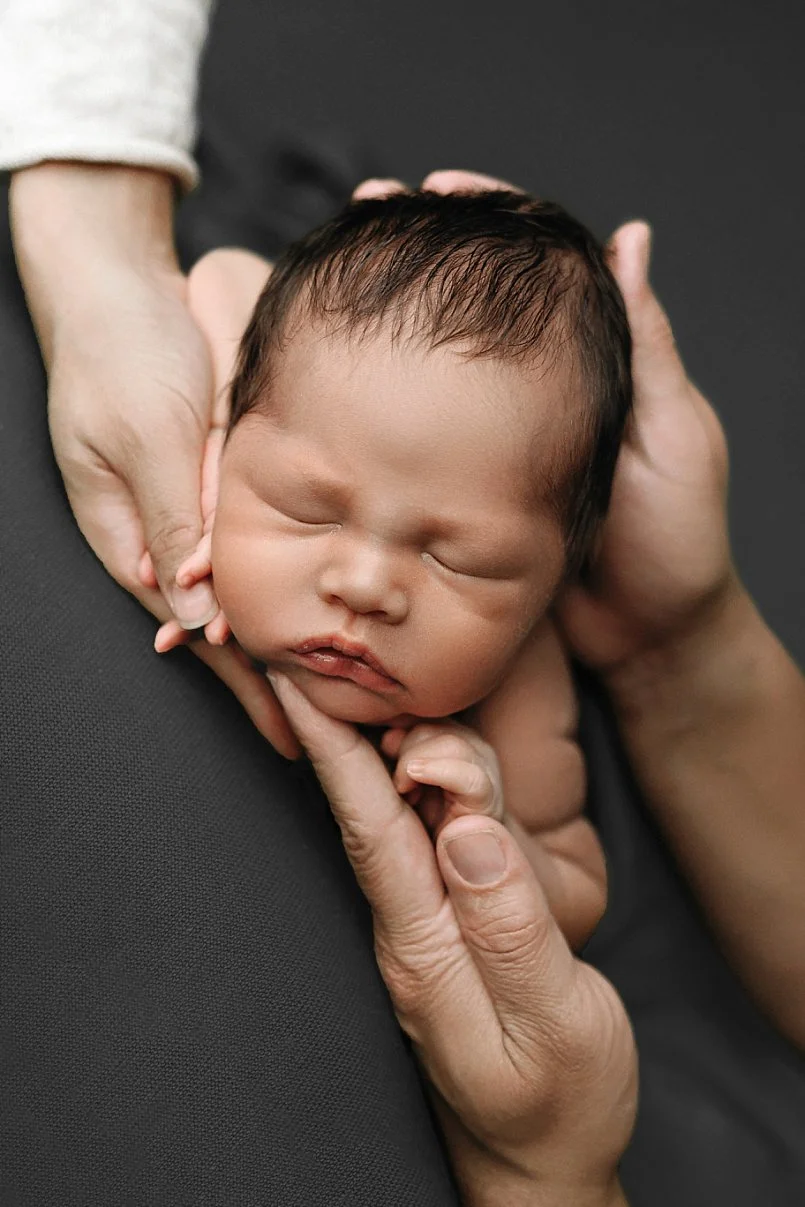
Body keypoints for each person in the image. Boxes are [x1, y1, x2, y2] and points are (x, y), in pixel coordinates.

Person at [3, 4, 805, 1205]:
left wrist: (491, 829)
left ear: (553, 582)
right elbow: (227, 285)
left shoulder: (515, 695)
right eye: (305, 506)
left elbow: (572, 887)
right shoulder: (238, 344)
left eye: (467, 564)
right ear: (236, 422)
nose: (367, 582)